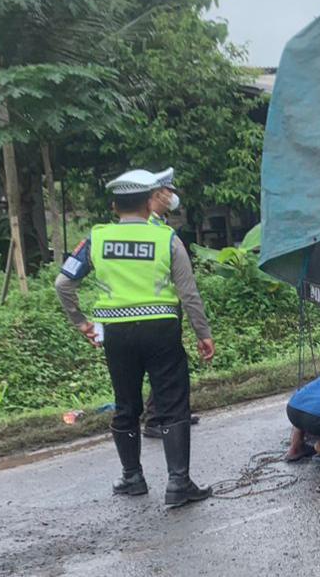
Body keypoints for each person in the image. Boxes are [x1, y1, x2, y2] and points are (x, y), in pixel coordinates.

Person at [55, 167, 216, 509]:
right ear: (148, 204)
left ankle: (132, 477)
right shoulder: (167, 239)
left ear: (114, 206)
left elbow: (63, 284)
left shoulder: (96, 239)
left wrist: (83, 323)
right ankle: (178, 482)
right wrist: (203, 334)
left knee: (126, 402)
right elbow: (189, 294)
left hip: (115, 333)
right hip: (161, 329)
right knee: (173, 403)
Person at [138, 168, 199, 440]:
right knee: (165, 368)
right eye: (169, 191)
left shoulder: (159, 225)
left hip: (159, 308)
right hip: (155, 309)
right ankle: (158, 419)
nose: (173, 197)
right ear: (157, 194)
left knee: (164, 368)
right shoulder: (151, 229)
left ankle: (168, 416)